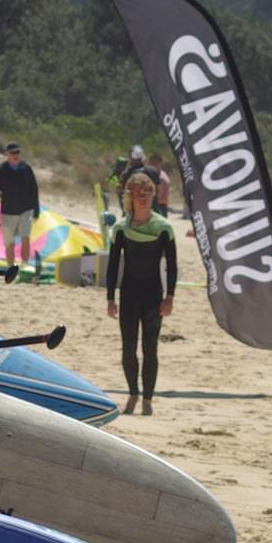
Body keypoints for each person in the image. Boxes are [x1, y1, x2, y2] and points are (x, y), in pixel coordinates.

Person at [103, 172, 177, 416]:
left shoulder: (163, 228)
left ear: (153, 195)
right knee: (128, 347)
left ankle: (147, 399)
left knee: (150, 348)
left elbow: (172, 265)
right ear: (130, 197)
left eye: (147, 193)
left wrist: (170, 297)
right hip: (129, 294)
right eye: (138, 193)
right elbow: (113, 265)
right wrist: (110, 298)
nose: (143, 197)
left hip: (153, 294)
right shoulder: (121, 228)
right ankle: (133, 394)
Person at [0, 142, 41, 269]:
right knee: (9, 243)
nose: (15, 155)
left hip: (25, 210)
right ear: (7, 154)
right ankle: (11, 267)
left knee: (25, 238)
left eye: (17, 152)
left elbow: (34, 189)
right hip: (8, 212)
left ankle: (25, 265)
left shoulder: (26, 168)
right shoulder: (2, 170)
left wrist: (36, 209)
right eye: (12, 153)